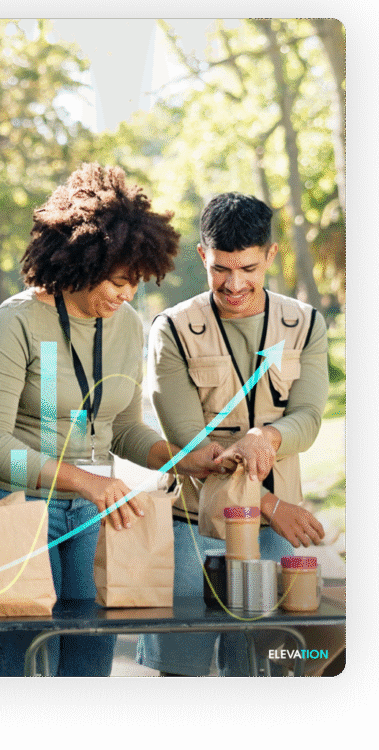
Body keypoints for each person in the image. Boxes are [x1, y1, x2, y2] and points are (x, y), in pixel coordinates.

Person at [0, 163, 224, 677]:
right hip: (12, 503)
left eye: (135, 283)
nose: (126, 294)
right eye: (117, 280)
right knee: (29, 662)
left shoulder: (127, 326)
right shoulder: (16, 321)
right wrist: (85, 481)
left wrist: (181, 458)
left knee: (91, 657)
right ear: (82, 259)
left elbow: (123, 427)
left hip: (90, 509)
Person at [135, 192, 328, 677]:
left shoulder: (306, 325)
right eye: (221, 268)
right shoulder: (171, 330)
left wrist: (267, 437)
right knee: (182, 671)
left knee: (271, 670)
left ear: (270, 255)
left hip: (275, 537)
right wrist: (269, 504)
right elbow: (192, 446)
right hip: (192, 528)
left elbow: (307, 416)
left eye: (247, 267)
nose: (235, 283)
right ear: (202, 255)